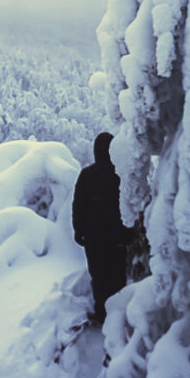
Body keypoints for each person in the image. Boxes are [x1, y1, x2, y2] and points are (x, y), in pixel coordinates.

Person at [72, 132, 130, 324]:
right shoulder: (121, 174)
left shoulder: (87, 175)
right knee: (118, 276)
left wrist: (79, 231)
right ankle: (118, 317)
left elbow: (78, 205)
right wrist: (130, 235)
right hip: (118, 237)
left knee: (99, 276)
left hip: (94, 238)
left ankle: (102, 313)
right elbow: (130, 205)